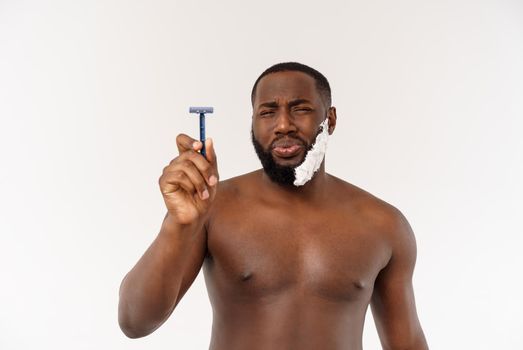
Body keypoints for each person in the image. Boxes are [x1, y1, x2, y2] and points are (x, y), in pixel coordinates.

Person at [118, 62, 429, 350]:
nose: (283, 125)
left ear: (329, 119)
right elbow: (134, 322)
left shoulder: (383, 225)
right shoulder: (212, 208)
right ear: (253, 122)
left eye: (301, 109)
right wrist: (178, 225)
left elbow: (408, 344)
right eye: (267, 112)